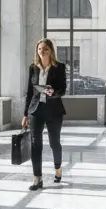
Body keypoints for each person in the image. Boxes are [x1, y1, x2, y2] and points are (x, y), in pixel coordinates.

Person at [22, 38, 67, 190]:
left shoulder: (59, 67)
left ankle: (58, 169)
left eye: (45, 49)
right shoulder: (33, 68)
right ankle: (37, 178)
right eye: (40, 49)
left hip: (54, 111)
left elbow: (63, 90)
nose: (42, 51)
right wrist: (25, 114)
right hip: (36, 110)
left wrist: (52, 91)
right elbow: (29, 92)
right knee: (36, 145)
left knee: (54, 143)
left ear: (51, 51)